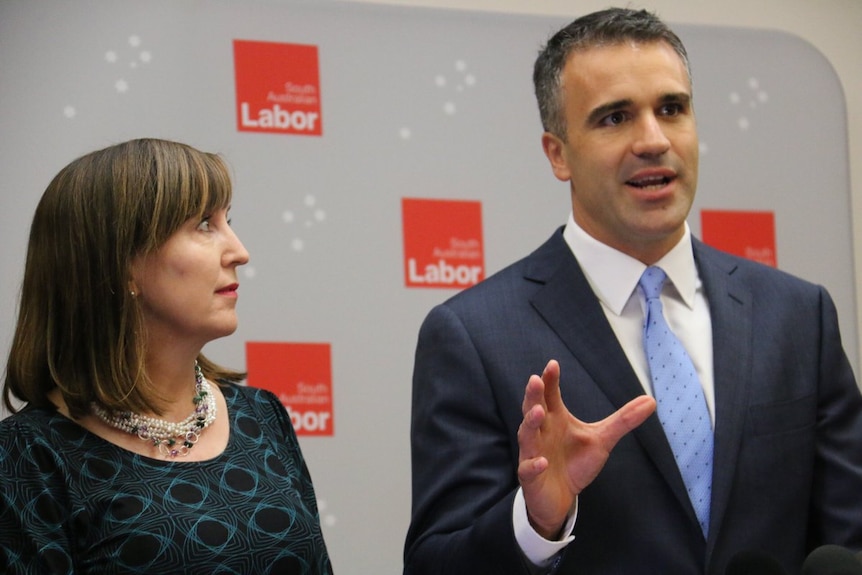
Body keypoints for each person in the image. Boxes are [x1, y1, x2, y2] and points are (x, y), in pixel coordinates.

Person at [404, 8, 862, 575]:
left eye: (672, 109)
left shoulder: (798, 316)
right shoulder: (474, 336)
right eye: (614, 118)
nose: (652, 140)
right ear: (558, 153)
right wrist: (537, 524)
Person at [0, 138, 333, 574]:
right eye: (203, 225)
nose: (239, 251)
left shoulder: (262, 416)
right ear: (121, 263)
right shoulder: (31, 457)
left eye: (226, 221)